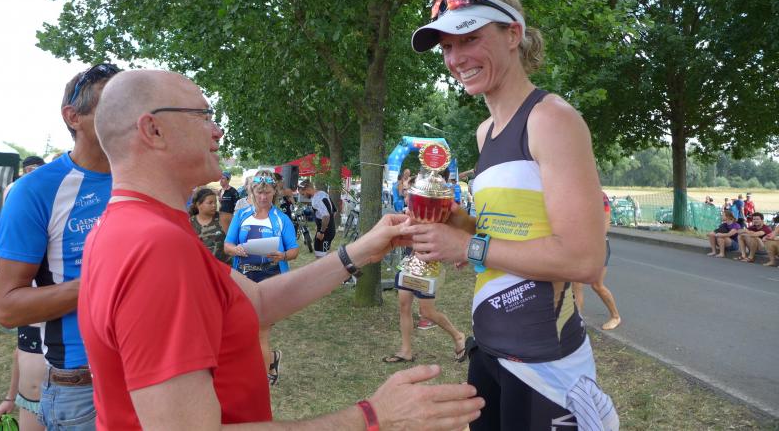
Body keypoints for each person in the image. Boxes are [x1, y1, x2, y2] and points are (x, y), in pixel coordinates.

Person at [78, 69, 484, 430]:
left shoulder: (134, 227)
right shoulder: (156, 246)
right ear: (153, 130)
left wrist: (359, 252)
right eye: (203, 116)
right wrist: (372, 417)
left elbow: (255, 302)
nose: (217, 131)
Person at [407, 0, 617, 430]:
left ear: (513, 34)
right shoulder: (486, 132)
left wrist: (467, 246)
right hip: (490, 349)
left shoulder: (552, 119)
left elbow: (584, 260)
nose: (456, 58)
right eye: (447, 47)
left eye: (469, 38)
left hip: (545, 365)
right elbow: (504, 233)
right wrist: (456, 222)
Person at [0, 62, 121, 430]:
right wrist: (107, 282)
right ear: (73, 116)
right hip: (84, 385)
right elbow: (8, 308)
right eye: (112, 104)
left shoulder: (153, 178)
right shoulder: (36, 190)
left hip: (160, 368)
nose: (128, 114)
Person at [224, 169, 299, 385]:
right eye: (259, 192)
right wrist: (236, 250)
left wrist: (283, 255)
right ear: (252, 192)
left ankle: (262, 380)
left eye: (267, 193)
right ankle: (270, 360)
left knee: (260, 332)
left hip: (271, 279)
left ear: (274, 192)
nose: (263, 197)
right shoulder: (241, 215)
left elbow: (294, 250)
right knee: (242, 329)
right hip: (243, 278)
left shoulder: (281, 219)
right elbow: (228, 245)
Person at [0, 157, 48, 431]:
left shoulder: (59, 271)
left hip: (73, 397)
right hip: (30, 401)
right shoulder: (20, 284)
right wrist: (10, 397)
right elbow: (21, 347)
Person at [384, 245, 467, 364]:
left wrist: (457, 256)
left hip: (429, 267)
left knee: (427, 312)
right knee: (404, 307)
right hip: (409, 262)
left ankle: (458, 336)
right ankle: (406, 351)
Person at [574, 193, 622, 330]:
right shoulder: (575, 194)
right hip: (579, 245)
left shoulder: (600, 196)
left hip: (598, 246)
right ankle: (577, 321)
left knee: (596, 285)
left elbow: (606, 224)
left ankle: (615, 317)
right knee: (576, 284)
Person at [299, 179, 337, 259]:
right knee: (323, 254)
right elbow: (334, 211)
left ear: (307, 189)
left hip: (325, 232)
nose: (303, 196)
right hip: (327, 229)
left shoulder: (317, 200)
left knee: (321, 257)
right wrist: (323, 225)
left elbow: (326, 216)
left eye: (303, 194)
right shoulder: (323, 193)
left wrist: (322, 231)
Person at [189, 187, 228, 263]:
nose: (214, 205)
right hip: (201, 266)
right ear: (198, 205)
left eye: (215, 202)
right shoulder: (190, 222)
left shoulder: (223, 218)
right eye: (210, 203)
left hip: (224, 266)